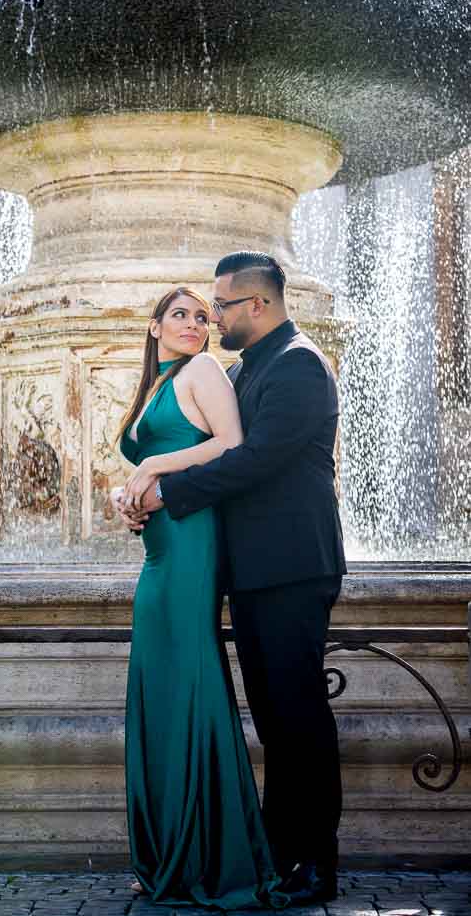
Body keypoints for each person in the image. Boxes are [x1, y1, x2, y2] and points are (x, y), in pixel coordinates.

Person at [118, 252, 347, 907]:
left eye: (219, 305)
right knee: (276, 721)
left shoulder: (299, 363)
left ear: (257, 305)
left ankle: (315, 862)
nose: (212, 315)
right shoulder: (248, 366)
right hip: (254, 570)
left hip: (292, 567)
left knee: (298, 717)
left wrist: (166, 492)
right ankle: (278, 851)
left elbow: (254, 460)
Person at [113, 285, 287, 910]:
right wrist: (127, 493)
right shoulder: (156, 386)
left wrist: (151, 471)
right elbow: (155, 457)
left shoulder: (205, 369)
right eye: (180, 315)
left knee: (190, 685)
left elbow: (229, 444)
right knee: (159, 688)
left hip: (191, 545)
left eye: (201, 316)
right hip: (160, 550)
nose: (194, 324)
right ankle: (165, 853)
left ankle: (211, 857)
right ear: (155, 325)